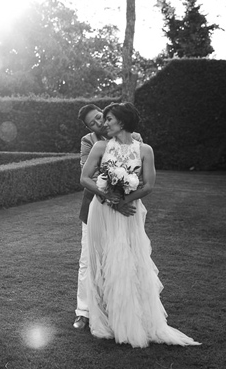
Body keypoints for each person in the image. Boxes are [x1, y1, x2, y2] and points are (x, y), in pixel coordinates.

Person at [79, 102, 200, 348]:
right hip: (101, 211)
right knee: (100, 262)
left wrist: (125, 200)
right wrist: (112, 199)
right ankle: (103, 317)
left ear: (121, 122)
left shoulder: (145, 149)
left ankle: (131, 319)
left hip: (129, 213)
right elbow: (84, 178)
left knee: (129, 261)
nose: (104, 124)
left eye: (109, 119)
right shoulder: (100, 146)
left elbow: (148, 185)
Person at [73, 104, 142, 330]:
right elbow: (90, 174)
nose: (99, 123)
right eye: (92, 123)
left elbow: (138, 173)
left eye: (100, 117)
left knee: (122, 256)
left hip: (125, 209)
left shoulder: (136, 137)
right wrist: (111, 196)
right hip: (95, 206)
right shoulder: (89, 141)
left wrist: (123, 200)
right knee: (89, 259)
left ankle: (119, 308)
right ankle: (83, 311)